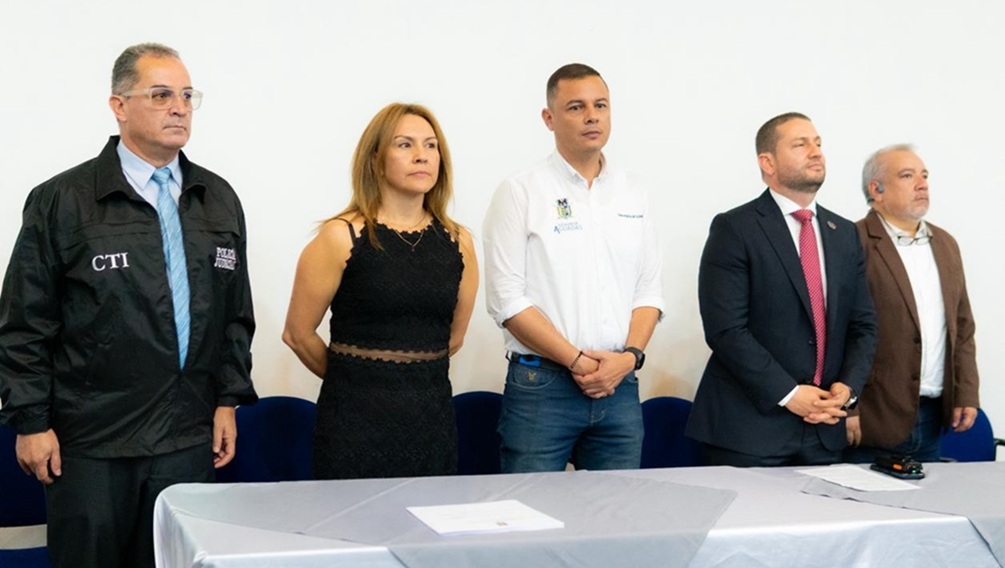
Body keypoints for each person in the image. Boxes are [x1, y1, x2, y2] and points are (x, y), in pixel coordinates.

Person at [0, 43, 256, 568]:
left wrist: (228, 399)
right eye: (161, 95)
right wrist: (29, 420)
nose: (179, 107)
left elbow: (235, 315)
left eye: (187, 95)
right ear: (119, 106)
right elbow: (24, 322)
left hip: (187, 439)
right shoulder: (63, 201)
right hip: (91, 443)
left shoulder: (218, 198)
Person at [482, 63, 664, 473]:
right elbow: (506, 301)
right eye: (576, 107)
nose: (592, 116)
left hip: (620, 385)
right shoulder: (520, 190)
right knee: (530, 519)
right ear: (549, 118)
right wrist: (578, 361)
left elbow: (648, 291)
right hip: (542, 387)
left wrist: (630, 357)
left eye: (600, 105)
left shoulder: (634, 191)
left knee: (615, 521)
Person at [282, 102, 478, 480]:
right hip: (353, 423)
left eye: (431, 145)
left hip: (431, 423)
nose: (421, 155)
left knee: (427, 530)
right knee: (353, 534)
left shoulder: (459, 241)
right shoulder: (340, 236)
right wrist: (357, 380)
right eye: (404, 144)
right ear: (375, 159)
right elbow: (297, 334)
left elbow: (453, 337)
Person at [685, 112, 877, 467]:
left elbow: (863, 325)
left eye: (818, 143)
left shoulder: (845, 233)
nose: (816, 152)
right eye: (800, 144)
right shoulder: (735, 228)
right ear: (767, 162)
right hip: (748, 432)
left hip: (824, 430)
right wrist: (789, 394)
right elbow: (726, 330)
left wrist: (846, 391)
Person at [844, 144, 979, 463]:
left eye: (925, 175)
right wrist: (848, 407)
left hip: (932, 414)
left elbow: (962, 327)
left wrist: (966, 392)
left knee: (928, 510)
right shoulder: (853, 240)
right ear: (875, 189)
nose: (922, 184)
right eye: (907, 176)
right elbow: (837, 332)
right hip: (873, 417)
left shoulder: (945, 243)